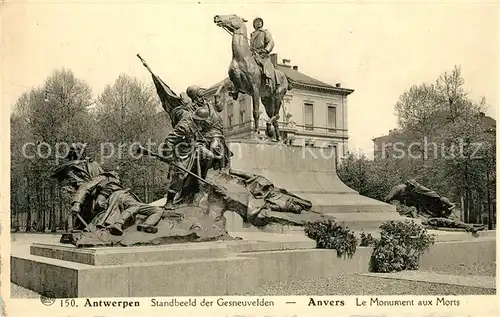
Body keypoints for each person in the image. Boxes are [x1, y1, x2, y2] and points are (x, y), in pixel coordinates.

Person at [161, 107, 216, 209]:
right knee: (180, 175)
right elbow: (169, 140)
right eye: (202, 122)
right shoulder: (184, 126)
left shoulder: (195, 120)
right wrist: (167, 156)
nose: (203, 124)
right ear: (197, 119)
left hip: (194, 146)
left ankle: (200, 181)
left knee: (210, 155)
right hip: (182, 152)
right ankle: (169, 201)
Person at [250, 17, 275, 90]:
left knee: (265, 64)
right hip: (254, 53)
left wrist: (266, 50)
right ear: (254, 25)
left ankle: (268, 82)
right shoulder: (252, 34)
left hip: (262, 54)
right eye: (256, 22)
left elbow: (271, 42)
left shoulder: (264, 32)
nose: (258, 23)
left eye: (260, 21)